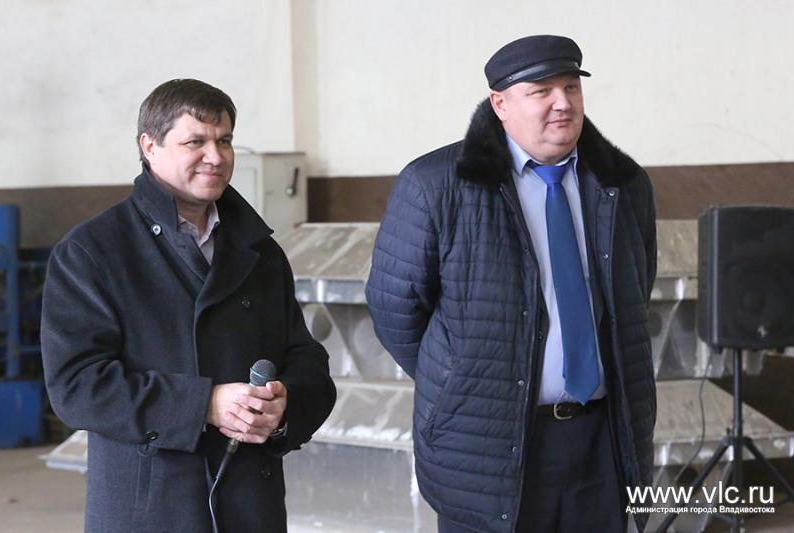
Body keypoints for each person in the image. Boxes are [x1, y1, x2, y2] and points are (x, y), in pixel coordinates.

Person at [366, 35, 656, 533]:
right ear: (500, 104)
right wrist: (464, 378)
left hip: (603, 441)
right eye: (541, 91)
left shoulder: (622, 184)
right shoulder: (435, 184)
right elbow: (395, 307)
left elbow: (634, 289)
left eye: (571, 87)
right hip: (486, 445)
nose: (562, 103)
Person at [41, 79, 336, 533]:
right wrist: (204, 405)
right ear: (150, 146)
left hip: (250, 503)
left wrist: (286, 405)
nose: (215, 156)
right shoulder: (93, 252)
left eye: (225, 141)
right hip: (151, 507)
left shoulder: (259, 250)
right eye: (195, 142)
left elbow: (304, 356)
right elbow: (77, 386)